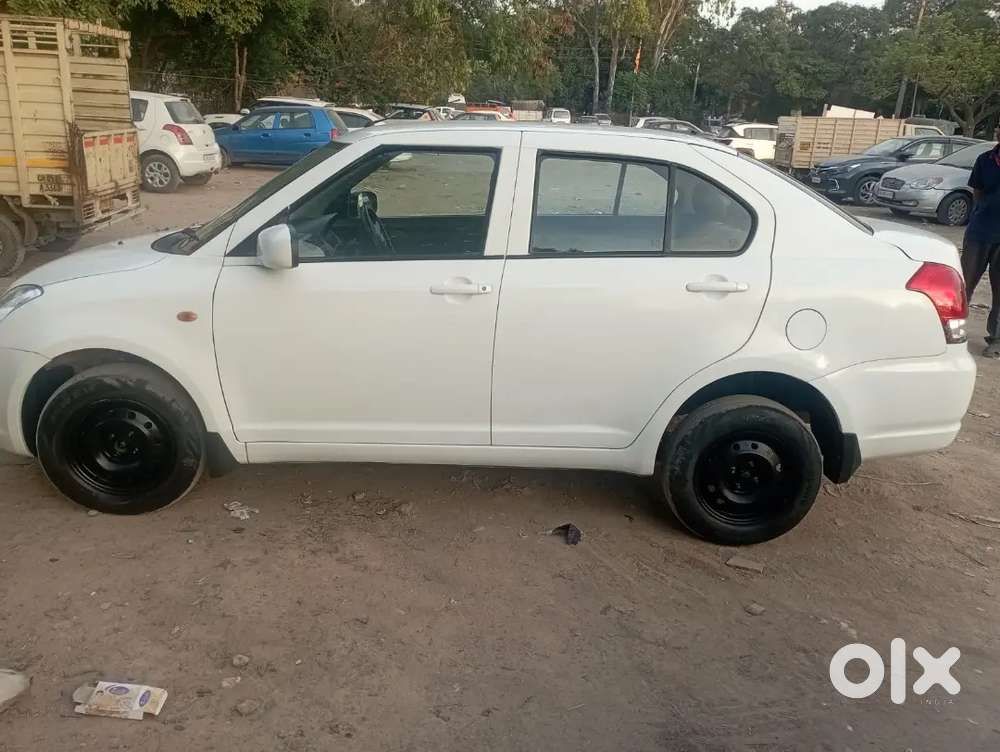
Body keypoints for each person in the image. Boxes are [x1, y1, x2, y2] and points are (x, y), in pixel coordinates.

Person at [962, 125, 1000, 358]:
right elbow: (977, 190)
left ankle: (996, 341)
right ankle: (949, 332)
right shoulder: (984, 159)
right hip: (979, 232)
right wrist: (979, 213)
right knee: (964, 284)